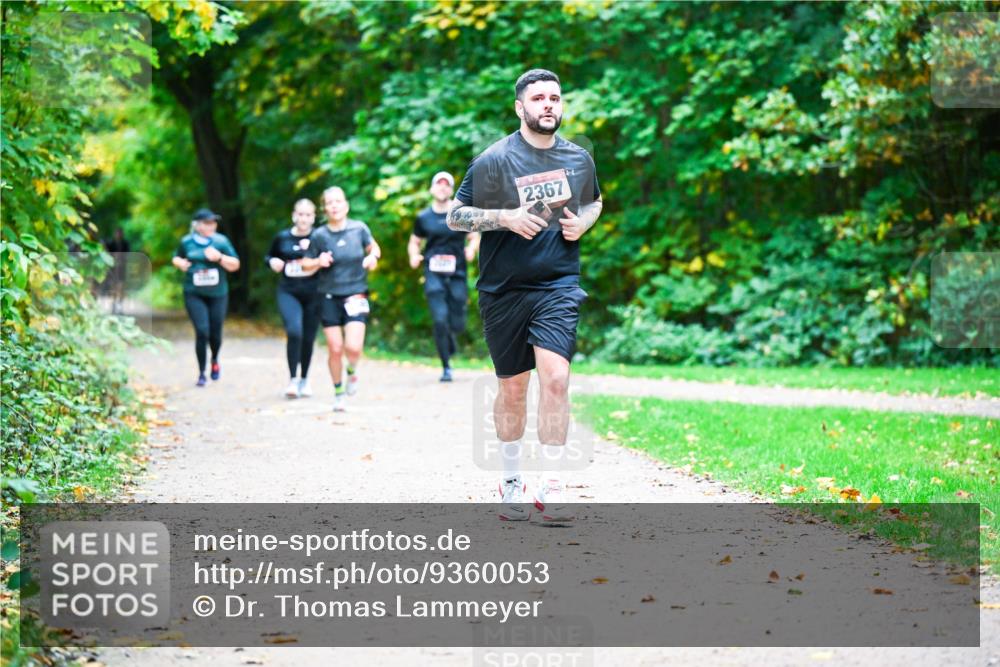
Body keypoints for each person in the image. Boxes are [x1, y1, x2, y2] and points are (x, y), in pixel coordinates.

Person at [448, 69, 603, 523]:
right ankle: (511, 478)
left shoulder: (578, 159)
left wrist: (586, 221)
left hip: (557, 284)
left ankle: (551, 486)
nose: (548, 105)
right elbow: (456, 216)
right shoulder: (493, 160)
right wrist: (507, 219)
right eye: (538, 98)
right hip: (503, 290)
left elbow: (594, 200)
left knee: (555, 378)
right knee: (513, 389)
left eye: (555, 98)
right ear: (521, 108)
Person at [301, 187, 381, 412]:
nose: (334, 205)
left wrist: (372, 257)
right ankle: (338, 392)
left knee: (353, 348)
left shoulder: (359, 228)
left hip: (355, 293)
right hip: (328, 295)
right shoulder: (319, 235)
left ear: (346, 205)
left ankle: (352, 372)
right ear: (325, 208)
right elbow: (304, 264)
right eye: (329, 202)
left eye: (338, 201)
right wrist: (318, 261)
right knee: (335, 349)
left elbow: (373, 247)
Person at [407, 171, 480, 382]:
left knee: (457, 320)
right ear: (431, 189)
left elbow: (474, 236)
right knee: (439, 319)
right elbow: (414, 241)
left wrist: (471, 249)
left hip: (457, 271)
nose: (442, 188)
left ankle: (452, 334)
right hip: (433, 271)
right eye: (438, 184)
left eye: (446, 185)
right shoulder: (423, 217)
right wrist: (414, 255)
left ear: (451, 190)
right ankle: (446, 366)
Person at [171, 208, 241, 387]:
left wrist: (219, 258)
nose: (211, 226)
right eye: (207, 223)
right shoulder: (187, 242)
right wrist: (180, 263)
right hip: (194, 293)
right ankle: (202, 372)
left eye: (213, 222)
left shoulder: (221, 241)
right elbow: (176, 257)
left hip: (218, 294)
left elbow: (235, 264)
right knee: (202, 331)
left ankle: (215, 360)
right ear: (197, 225)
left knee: (215, 334)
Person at [265, 199, 321, 398]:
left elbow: (330, 259)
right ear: (293, 215)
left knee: (308, 338)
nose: (303, 218)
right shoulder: (282, 237)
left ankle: (305, 379)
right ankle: (292, 380)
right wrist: (273, 261)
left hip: (314, 293)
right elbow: (268, 256)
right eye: (300, 214)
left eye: (308, 215)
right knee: (294, 331)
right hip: (288, 291)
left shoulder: (319, 237)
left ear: (313, 217)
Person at [103, 228, 131, 314]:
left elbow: (128, 255)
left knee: (121, 287)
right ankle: (114, 305)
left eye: (120, 233)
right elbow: (106, 253)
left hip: (122, 269)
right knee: (113, 287)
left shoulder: (125, 244)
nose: (118, 235)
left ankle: (119, 306)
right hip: (113, 269)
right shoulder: (111, 244)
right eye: (117, 233)